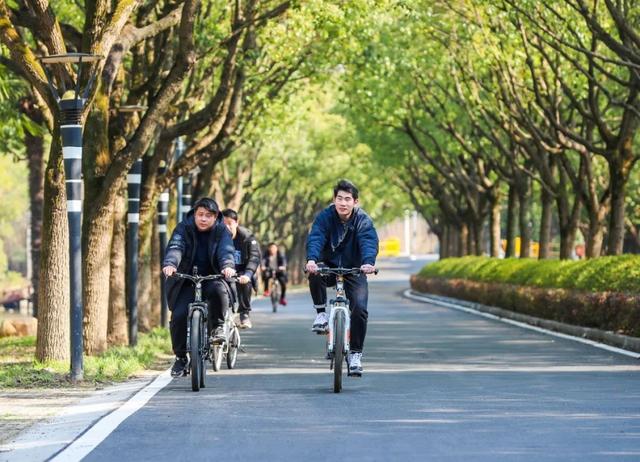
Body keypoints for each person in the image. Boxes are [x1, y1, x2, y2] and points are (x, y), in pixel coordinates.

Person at [305, 179, 378, 377]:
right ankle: (321, 313)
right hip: (328, 266)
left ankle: (355, 355)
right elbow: (316, 237)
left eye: (348, 199)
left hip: (354, 269)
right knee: (315, 271)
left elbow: (368, 241)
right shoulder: (325, 217)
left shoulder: (363, 220)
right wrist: (311, 259)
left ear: (356, 201)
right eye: (339, 198)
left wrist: (368, 262)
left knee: (360, 310)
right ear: (334, 199)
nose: (343, 203)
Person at [162, 197, 236, 377]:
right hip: (186, 279)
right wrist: (171, 264)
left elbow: (226, 250)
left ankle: (217, 326)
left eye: (208, 216)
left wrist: (227, 266)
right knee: (178, 316)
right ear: (194, 215)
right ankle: (180, 358)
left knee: (219, 291)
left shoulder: (221, 231)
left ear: (215, 217)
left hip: (213, 277)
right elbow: (175, 247)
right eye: (200, 215)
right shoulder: (183, 228)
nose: (203, 219)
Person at [222, 208, 261, 329]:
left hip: (242, 271)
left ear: (236, 222)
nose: (227, 227)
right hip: (223, 271)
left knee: (245, 282)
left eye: (230, 223)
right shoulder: (216, 237)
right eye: (223, 224)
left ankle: (244, 314)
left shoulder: (247, 237)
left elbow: (254, 257)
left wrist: (248, 274)